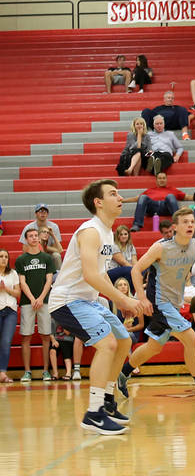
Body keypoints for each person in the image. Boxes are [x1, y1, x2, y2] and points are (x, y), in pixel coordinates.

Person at [48, 179, 145, 435]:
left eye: (120, 193)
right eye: (114, 194)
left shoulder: (108, 233)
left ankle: (107, 401)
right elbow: (91, 275)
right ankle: (93, 413)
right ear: (98, 202)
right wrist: (124, 299)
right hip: (67, 300)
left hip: (90, 299)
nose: (120, 198)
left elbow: (100, 277)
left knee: (124, 339)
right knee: (108, 344)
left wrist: (116, 301)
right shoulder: (90, 231)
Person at [117, 208, 195, 399]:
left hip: (174, 303)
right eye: (185, 222)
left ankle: (123, 374)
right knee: (191, 338)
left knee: (154, 347)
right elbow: (136, 270)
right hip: (160, 303)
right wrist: (141, 298)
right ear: (175, 227)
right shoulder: (161, 247)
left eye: (192, 222)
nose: (190, 225)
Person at [16, 227, 56, 382]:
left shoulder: (47, 258)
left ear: (39, 239)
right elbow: (22, 281)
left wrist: (40, 298)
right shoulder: (21, 260)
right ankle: (27, 372)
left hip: (44, 302)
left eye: (35, 236)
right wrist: (33, 299)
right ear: (26, 239)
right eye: (30, 236)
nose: (33, 238)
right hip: (28, 303)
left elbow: (49, 280)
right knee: (26, 337)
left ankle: (46, 371)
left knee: (46, 336)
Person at [0, 250, 18, 383]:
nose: (4, 259)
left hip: (10, 310)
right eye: (1, 256)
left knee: (6, 342)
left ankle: (3, 373)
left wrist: (6, 288)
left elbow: (18, 293)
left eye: (6, 256)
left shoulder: (13, 273)